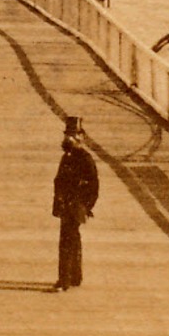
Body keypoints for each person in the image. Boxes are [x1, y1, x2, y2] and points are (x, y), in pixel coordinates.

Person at [52, 116, 100, 291]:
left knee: (66, 241)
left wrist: (86, 206)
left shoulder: (85, 159)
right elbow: (58, 181)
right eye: (67, 135)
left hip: (76, 205)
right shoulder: (67, 157)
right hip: (66, 205)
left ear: (81, 138)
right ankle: (75, 276)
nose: (68, 139)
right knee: (73, 239)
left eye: (72, 135)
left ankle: (64, 280)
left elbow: (93, 186)